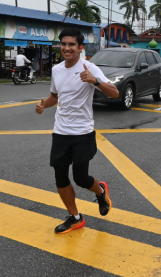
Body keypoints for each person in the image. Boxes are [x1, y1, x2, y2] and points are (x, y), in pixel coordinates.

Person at [35, 28, 119, 234]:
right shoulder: (56, 70)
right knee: (60, 177)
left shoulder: (89, 68)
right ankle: (75, 217)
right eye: (63, 44)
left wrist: (95, 81)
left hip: (82, 133)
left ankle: (100, 191)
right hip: (61, 132)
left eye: (72, 44)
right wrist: (43, 105)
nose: (67, 48)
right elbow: (55, 95)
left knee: (81, 178)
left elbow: (115, 93)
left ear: (80, 47)